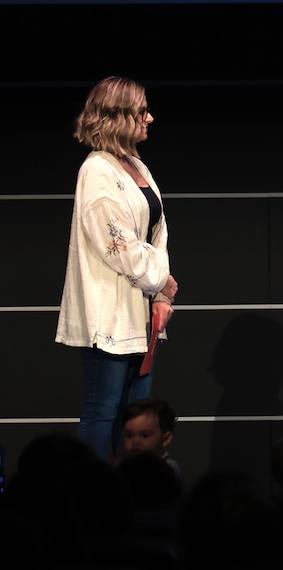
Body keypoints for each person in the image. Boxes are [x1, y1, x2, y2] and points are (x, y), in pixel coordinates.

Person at [56, 76, 178, 459]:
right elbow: (119, 246)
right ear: (119, 116)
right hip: (108, 317)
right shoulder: (97, 171)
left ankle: (135, 491)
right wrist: (161, 279)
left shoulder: (134, 164)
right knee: (104, 411)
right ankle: (95, 494)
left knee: (136, 417)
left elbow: (156, 233)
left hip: (140, 314)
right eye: (143, 111)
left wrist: (159, 292)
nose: (150, 118)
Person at [120, 397, 178, 472]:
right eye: (129, 436)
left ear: (166, 439)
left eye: (145, 435)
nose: (135, 442)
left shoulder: (166, 470)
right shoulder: (123, 467)